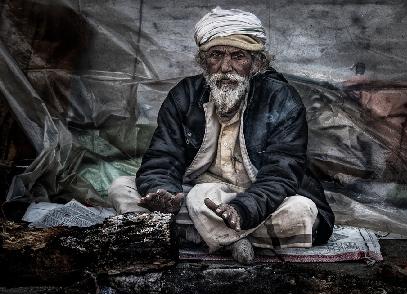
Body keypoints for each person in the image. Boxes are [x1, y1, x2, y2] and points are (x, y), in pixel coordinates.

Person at [108, 7, 334, 264]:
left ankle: (194, 233)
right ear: (204, 61)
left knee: (302, 212)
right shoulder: (184, 96)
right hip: (197, 193)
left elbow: (281, 174)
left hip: (256, 198)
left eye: (238, 56)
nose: (226, 67)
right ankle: (235, 239)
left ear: (257, 63)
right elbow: (162, 157)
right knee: (121, 189)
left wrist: (242, 209)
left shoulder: (281, 99)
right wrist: (164, 193)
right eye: (216, 55)